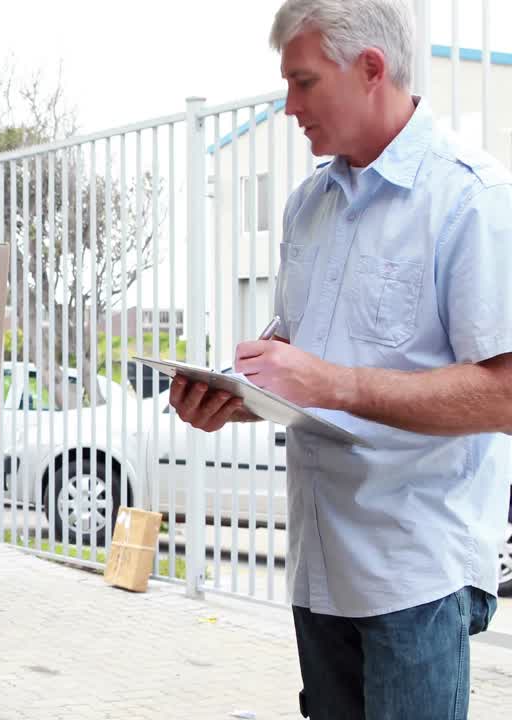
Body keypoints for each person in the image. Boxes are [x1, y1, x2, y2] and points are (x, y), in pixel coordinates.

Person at [170, 0, 510, 717]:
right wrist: (234, 395)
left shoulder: (471, 200)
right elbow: (297, 364)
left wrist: (335, 382)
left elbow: (504, 396)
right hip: (320, 561)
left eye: (303, 82)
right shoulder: (308, 206)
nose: (288, 106)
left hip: (416, 569)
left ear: (371, 69)